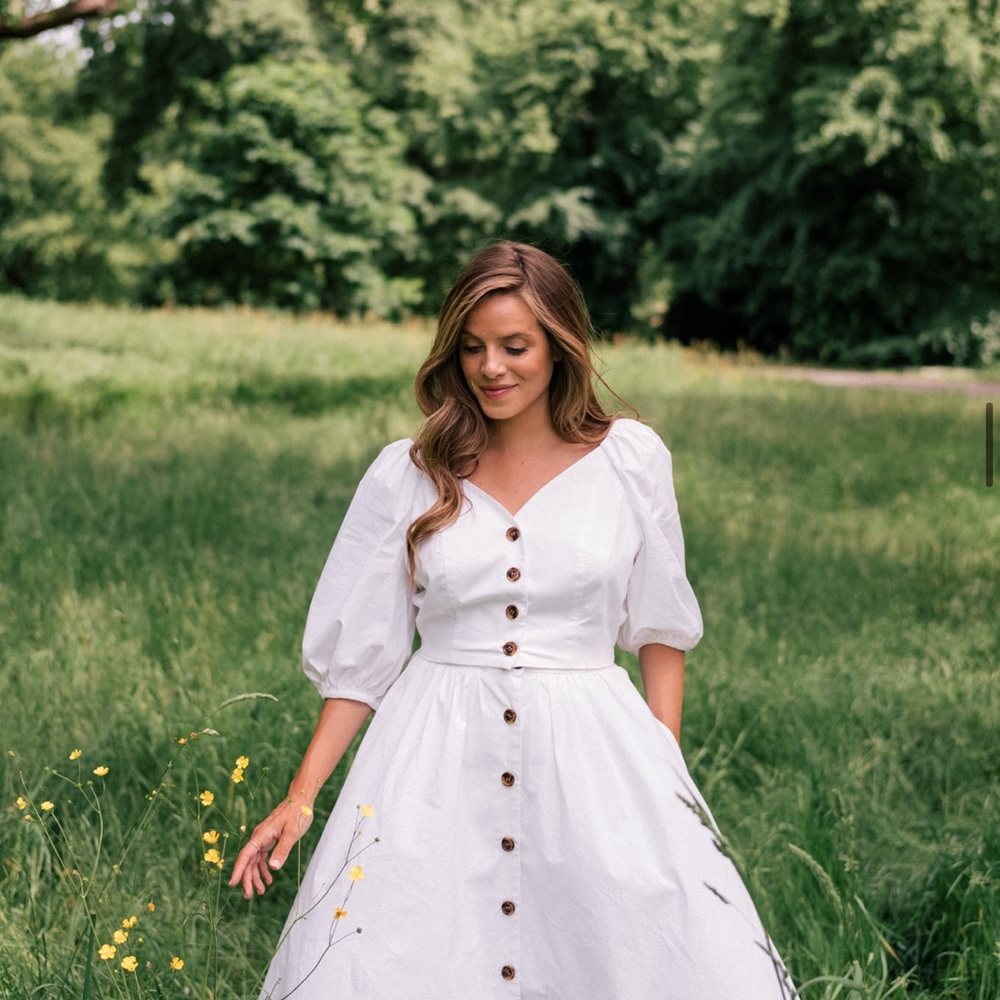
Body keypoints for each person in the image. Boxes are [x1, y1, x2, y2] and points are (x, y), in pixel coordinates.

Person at [230, 241, 798, 999]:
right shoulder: (409, 472)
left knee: (623, 951)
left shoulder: (630, 461)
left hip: (596, 751)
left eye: (514, 346)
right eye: (472, 347)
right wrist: (301, 797)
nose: (490, 367)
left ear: (561, 347)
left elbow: (661, 629)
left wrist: (664, 775)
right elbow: (364, 659)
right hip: (431, 756)